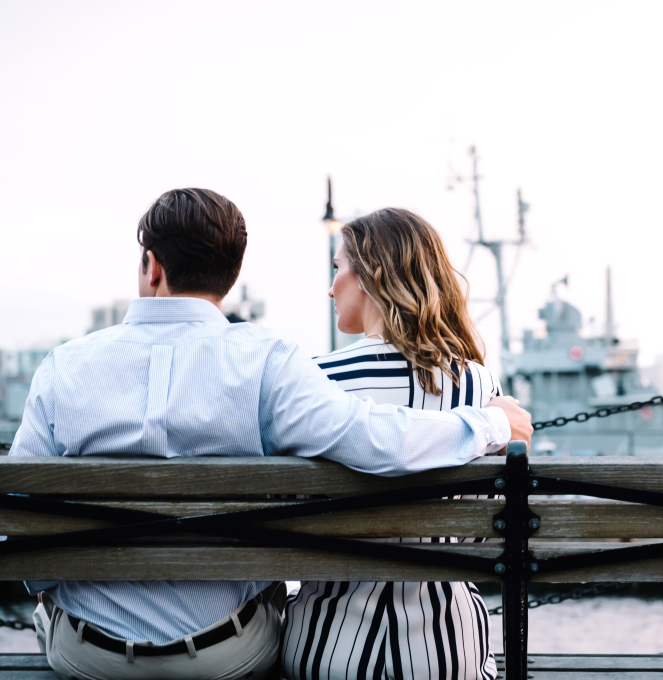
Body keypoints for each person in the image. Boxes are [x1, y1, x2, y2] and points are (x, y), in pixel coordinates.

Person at [9, 190, 532, 680]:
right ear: (231, 277)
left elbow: (19, 519)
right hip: (227, 654)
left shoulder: (64, 366)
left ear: (152, 266)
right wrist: (489, 423)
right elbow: (373, 439)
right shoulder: (266, 361)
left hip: (90, 655)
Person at [282, 208, 517, 680]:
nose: (331, 288)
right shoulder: (476, 388)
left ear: (371, 274)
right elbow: (480, 530)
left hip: (325, 651)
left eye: (337, 269)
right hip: (451, 651)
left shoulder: (315, 382)